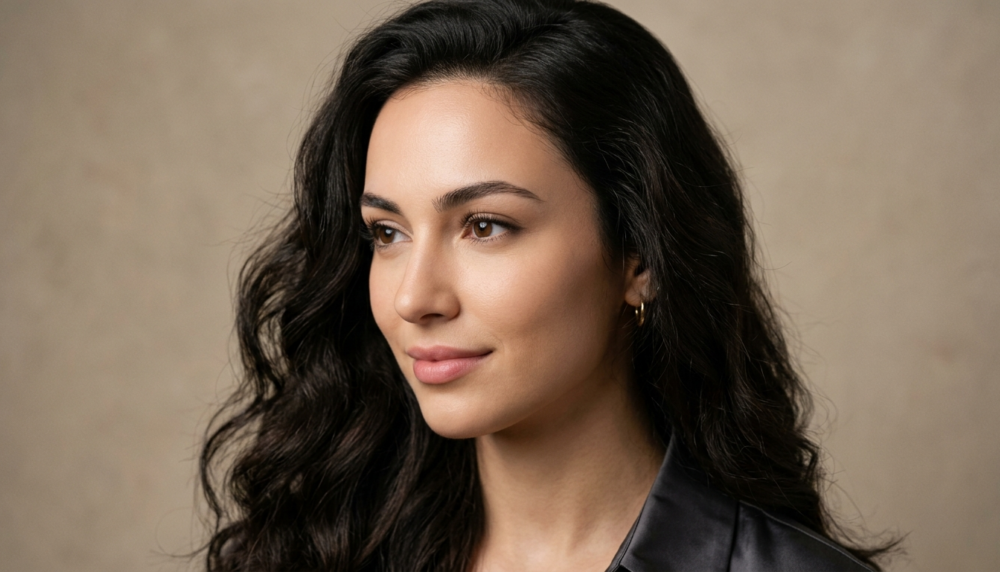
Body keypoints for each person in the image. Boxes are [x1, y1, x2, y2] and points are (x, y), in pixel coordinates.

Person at [200, 0, 899, 570]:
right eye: (387, 233)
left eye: (484, 226)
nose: (414, 299)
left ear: (640, 260)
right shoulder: (314, 550)